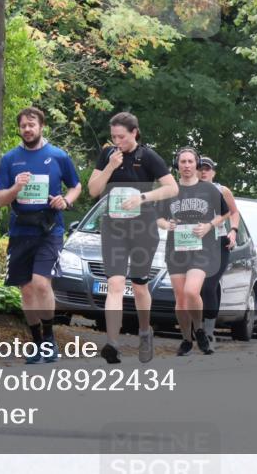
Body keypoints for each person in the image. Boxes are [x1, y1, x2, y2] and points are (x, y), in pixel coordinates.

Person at [87, 112, 178, 364]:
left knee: (139, 286)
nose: (118, 141)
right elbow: (93, 190)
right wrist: (110, 167)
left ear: (135, 132)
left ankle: (145, 331)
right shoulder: (108, 155)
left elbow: (172, 187)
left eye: (122, 137)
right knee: (115, 284)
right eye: (114, 136)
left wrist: (143, 198)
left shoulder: (147, 156)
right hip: (114, 228)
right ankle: (113, 343)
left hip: (143, 229)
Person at [0, 107, 81, 364]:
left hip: (49, 230)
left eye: (32, 125)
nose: (28, 129)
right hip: (21, 230)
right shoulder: (10, 159)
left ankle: (49, 337)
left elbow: (75, 186)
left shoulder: (57, 156)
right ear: (19, 129)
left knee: (41, 283)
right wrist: (16, 187)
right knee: (27, 291)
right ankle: (36, 342)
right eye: (23, 126)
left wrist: (65, 201)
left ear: (41, 126)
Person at [158, 148, 230, 356]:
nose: (187, 165)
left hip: (201, 249)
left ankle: (199, 329)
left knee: (191, 291)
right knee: (181, 299)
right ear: (177, 165)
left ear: (196, 164)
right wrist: (167, 225)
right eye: (183, 162)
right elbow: (158, 218)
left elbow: (225, 213)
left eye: (190, 161)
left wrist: (209, 225)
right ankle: (186, 339)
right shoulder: (169, 190)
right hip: (176, 249)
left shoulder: (208, 189)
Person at [197, 156, 239, 351]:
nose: (203, 172)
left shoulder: (222, 190)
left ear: (213, 172)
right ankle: (193, 332)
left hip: (218, 244)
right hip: (195, 244)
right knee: (193, 288)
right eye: (200, 168)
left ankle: (208, 332)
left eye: (207, 169)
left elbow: (234, 212)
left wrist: (233, 231)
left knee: (209, 286)